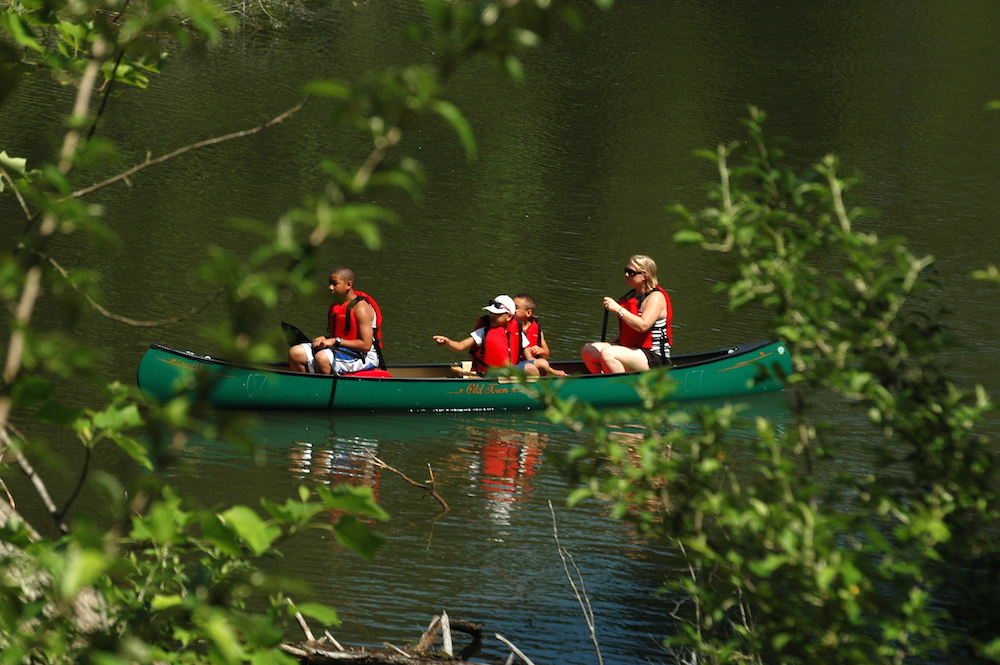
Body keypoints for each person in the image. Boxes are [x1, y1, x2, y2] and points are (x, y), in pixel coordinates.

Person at [580, 255, 673, 374]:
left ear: (645, 276)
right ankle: (604, 382)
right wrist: (611, 343)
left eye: (631, 272)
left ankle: (620, 388)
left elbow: (643, 325)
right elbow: (629, 331)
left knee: (608, 354)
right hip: (633, 351)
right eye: (626, 271)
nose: (626, 275)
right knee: (588, 350)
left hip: (654, 357)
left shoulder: (656, 297)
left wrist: (619, 309)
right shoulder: (632, 296)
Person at [288, 267, 384, 374]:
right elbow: (344, 336)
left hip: (364, 356)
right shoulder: (337, 305)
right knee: (295, 352)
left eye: (335, 284)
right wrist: (325, 338)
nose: (330, 287)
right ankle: (305, 386)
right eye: (330, 283)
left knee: (322, 357)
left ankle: (323, 389)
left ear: (349, 285)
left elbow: (366, 345)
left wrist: (334, 341)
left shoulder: (361, 308)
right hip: (341, 348)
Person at [432, 295, 540, 376]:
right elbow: (460, 346)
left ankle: (545, 389)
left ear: (509, 316)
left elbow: (528, 358)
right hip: (490, 374)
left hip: (511, 370)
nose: (491, 317)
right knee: (530, 368)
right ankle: (538, 395)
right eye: (491, 313)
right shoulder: (484, 332)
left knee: (542, 363)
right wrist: (448, 342)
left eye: (496, 314)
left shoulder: (517, 333)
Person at [513, 293, 567, 377]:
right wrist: (553, 371)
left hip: (533, 363)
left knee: (542, 363)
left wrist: (540, 350)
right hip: (519, 364)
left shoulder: (536, 329)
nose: (512, 310)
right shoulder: (510, 328)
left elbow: (546, 353)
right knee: (541, 365)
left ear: (528, 313)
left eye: (516, 308)